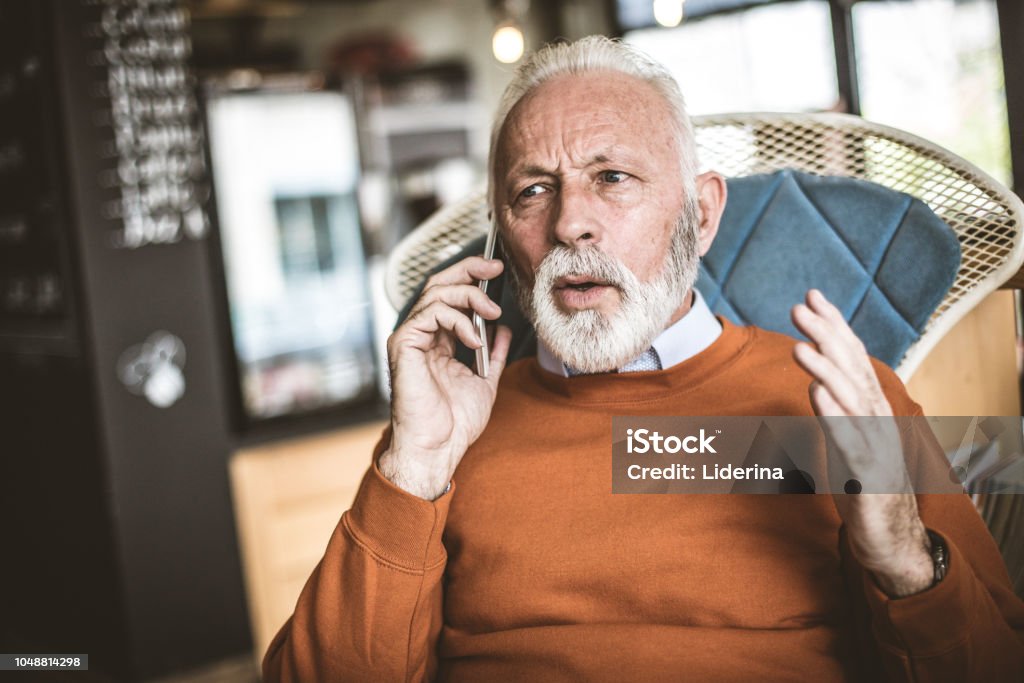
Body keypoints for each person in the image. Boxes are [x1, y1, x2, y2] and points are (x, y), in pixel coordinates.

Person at [263, 36, 1024, 681]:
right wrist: (415, 466)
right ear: (504, 238)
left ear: (699, 213)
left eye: (612, 177)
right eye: (533, 190)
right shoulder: (446, 426)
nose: (570, 224)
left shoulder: (841, 403)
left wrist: (904, 556)